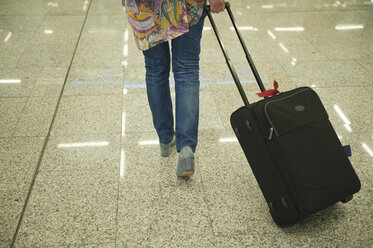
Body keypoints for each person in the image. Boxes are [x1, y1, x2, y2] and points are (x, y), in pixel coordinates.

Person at [124, 0, 225, 177]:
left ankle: (165, 139)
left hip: (143, 6)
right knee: (187, 69)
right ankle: (186, 148)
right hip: (185, 4)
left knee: (155, 69)